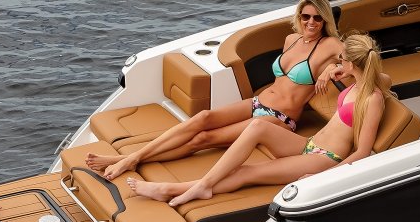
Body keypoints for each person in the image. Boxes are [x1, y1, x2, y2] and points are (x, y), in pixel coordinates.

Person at [86, 0, 342, 181]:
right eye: (306, 16)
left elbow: (358, 61)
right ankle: (131, 158)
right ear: (299, 16)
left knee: (203, 138)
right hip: (257, 102)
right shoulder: (291, 39)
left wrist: (331, 69)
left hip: (279, 118)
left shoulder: (330, 45)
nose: (311, 23)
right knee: (203, 118)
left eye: (317, 18)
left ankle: (128, 160)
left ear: (325, 20)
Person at [127, 33, 395, 207]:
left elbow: (362, 151)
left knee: (246, 172)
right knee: (258, 125)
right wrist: (334, 70)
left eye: (342, 60)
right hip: (309, 143)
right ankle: (202, 185)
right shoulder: (361, 82)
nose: (338, 63)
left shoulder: (372, 99)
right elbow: (383, 78)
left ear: (353, 64)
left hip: (325, 158)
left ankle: (178, 189)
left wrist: (320, 176)